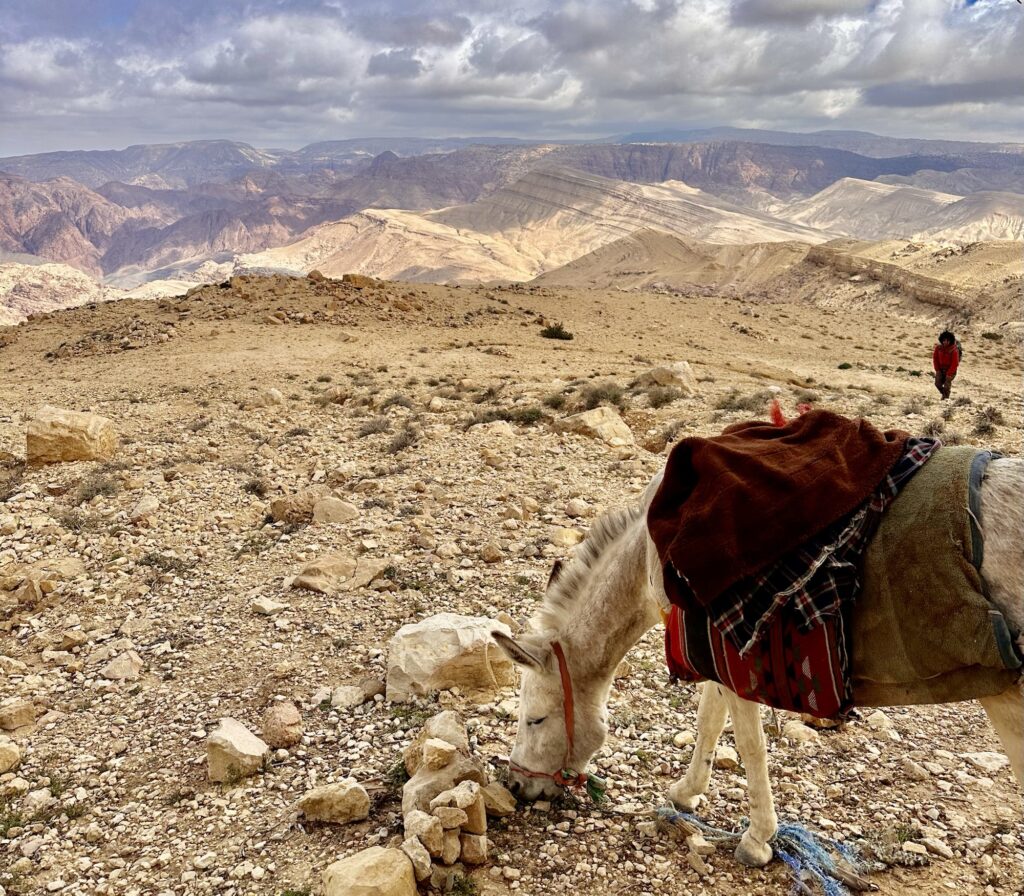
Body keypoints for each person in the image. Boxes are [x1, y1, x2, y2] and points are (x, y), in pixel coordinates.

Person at [932, 330, 960, 400]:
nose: (945, 342)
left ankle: (945, 398)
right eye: (944, 340)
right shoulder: (938, 348)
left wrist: (949, 373)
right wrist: (937, 370)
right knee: (937, 384)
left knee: (947, 385)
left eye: (947, 340)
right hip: (940, 369)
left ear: (950, 341)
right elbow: (935, 359)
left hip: (951, 371)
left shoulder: (954, 350)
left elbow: (955, 363)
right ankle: (945, 395)